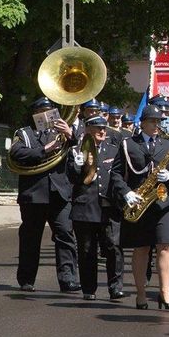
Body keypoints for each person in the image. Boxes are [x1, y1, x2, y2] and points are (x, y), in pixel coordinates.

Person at [111, 106, 169, 310]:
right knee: (141, 249)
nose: (157, 125)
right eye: (152, 121)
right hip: (139, 202)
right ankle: (141, 293)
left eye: (159, 121)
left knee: (165, 246)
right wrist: (126, 193)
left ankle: (165, 293)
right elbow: (115, 174)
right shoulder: (128, 144)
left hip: (161, 203)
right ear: (143, 123)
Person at [9, 96, 79, 293]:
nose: (47, 115)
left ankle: (67, 279)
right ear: (35, 114)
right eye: (42, 111)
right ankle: (27, 279)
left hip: (60, 193)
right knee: (31, 237)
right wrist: (45, 149)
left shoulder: (63, 132)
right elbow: (16, 153)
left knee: (65, 234)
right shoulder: (24, 133)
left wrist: (70, 135)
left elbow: (80, 152)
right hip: (34, 194)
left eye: (50, 111)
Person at [66, 114, 125, 300]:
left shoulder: (114, 150)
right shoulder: (76, 150)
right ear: (87, 130)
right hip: (85, 207)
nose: (102, 131)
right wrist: (77, 165)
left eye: (104, 128)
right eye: (97, 128)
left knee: (114, 247)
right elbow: (73, 179)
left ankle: (115, 287)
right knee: (86, 250)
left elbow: (120, 176)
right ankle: (89, 289)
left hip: (109, 206)